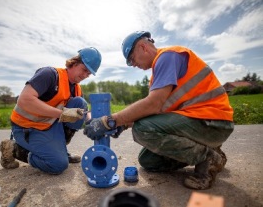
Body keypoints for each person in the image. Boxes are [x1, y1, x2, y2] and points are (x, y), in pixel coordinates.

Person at [84, 31, 234, 190]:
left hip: (213, 122)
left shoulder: (168, 56)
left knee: (142, 129)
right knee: (148, 161)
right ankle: (209, 149)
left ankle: (208, 159)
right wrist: (124, 124)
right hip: (198, 123)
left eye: (131, 59)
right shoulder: (160, 71)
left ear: (143, 47)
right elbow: (159, 110)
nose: (133, 64)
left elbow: (153, 104)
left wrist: (110, 121)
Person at [0, 47, 102, 174]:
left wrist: (94, 121)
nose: (85, 75)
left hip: (49, 125)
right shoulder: (49, 74)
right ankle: (14, 149)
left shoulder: (76, 89)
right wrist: (62, 114)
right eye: (85, 70)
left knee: (80, 104)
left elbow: (84, 113)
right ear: (75, 62)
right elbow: (24, 100)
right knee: (58, 164)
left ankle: (60, 150)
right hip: (27, 128)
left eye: (89, 73)